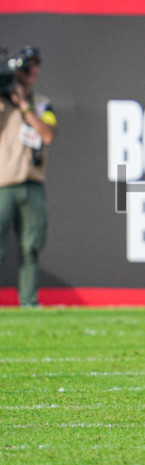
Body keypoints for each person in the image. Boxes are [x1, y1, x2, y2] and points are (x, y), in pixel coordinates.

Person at [0, 47, 57, 308]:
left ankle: (29, 302)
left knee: (31, 247)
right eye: (25, 66)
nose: (30, 71)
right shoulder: (3, 103)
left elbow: (48, 134)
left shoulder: (42, 104)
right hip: (3, 183)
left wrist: (25, 106)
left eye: (35, 65)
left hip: (32, 183)